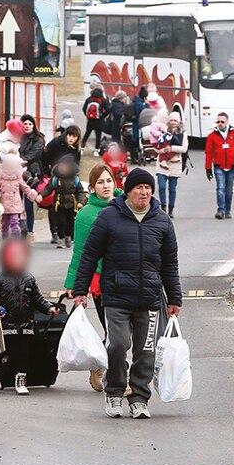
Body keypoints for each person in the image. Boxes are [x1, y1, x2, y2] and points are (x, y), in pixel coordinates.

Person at [72, 168, 182, 420]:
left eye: (148, 188)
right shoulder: (109, 217)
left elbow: (170, 264)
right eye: (138, 188)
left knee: (146, 351)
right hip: (117, 295)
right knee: (118, 344)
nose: (144, 192)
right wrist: (80, 290)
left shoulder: (162, 221)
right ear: (129, 191)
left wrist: (174, 298)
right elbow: (89, 256)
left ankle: (139, 398)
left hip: (150, 298)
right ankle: (114, 391)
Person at [64, 164, 123, 392]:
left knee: (124, 334)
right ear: (92, 188)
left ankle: (107, 368)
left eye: (109, 181)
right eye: (100, 182)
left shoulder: (124, 206)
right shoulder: (86, 215)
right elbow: (79, 252)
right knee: (114, 333)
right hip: (102, 281)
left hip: (128, 277)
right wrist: (73, 284)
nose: (106, 186)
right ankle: (110, 375)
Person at [0, 238, 59, 395]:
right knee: (1, 353)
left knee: (23, 353)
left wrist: (49, 308)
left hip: (25, 324)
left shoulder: (29, 279)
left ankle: (21, 379)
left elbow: (37, 299)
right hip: (4, 325)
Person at [41, 125, 82, 243]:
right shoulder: (57, 143)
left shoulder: (76, 149)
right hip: (55, 175)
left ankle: (68, 234)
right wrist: (47, 171)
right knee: (54, 205)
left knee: (69, 207)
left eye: (74, 136)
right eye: (69, 135)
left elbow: (77, 164)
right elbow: (45, 155)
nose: (71, 138)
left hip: (70, 178)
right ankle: (55, 231)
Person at [204, 112, 234, 220]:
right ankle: (221, 210)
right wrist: (208, 168)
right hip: (219, 166)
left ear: (227, 122)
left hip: (231, 165)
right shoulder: (212, 136)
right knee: (220, 188)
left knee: (229, 190)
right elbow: (208, 153)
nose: (220, 124)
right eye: (218, 121)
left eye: (222, 122)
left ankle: (228, 210)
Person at [38, 154, 87, 249]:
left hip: (71, 204)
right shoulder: (56, 178)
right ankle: (61, 239)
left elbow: (80, 191)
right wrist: (41, 195)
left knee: (70, 222)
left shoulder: (75, 179)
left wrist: (81, 202)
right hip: (59, 203)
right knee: (60, 222)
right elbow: (48, 188)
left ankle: (68, 236)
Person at [0, 153, 40, 239]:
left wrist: (33, 195)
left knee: (14, 222)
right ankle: (5, 238)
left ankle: (15, 239)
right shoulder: (0, 178)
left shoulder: (18, 178)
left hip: (15, 204)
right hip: (4, 204)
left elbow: (25, 188)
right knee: (4, 223)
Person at [155, 111, 188, 218]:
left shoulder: (183, 134)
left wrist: (172, 148)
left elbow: (184, 148)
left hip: (175, 163)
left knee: (172, 188)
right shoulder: (163, 131)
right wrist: (164, 150)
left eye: (175, 120)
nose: (173, 123)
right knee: (161, 186)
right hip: (162, 163)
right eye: (171, 120)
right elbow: (156, 147)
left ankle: (171, 209)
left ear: (179, 122)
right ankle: (163, 207)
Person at [18, 114, 46, 242]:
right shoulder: (16, 138)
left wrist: (22, 160)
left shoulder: (38, 139)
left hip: (32, 175)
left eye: (30, 124)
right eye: (25, 124)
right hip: (16, 173)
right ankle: (18, 230)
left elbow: (34, 153)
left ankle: (30, 232)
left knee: (28, 204)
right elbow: (4, 151)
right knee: (16, 204)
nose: (27, 126)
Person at [82, 83, 110, 155]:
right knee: (98, 135)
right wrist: (102, 116)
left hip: (90, 120)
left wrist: (88, 115)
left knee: (87, 133)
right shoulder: (102, 100)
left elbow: (84, 109)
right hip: (99, 120)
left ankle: (82, 148)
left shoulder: (89, 99)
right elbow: (108, 110)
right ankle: (96, 150)